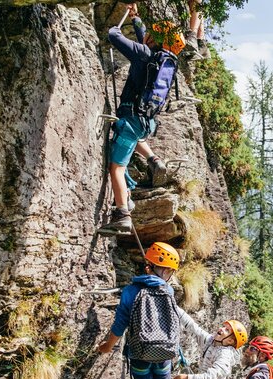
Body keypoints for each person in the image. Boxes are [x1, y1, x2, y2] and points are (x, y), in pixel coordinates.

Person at [99, 4, 185, 235]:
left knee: (116, 167)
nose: (146, 35)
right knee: (132, 139)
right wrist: (136, 19)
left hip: (130, 117)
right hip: (147, 120)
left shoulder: (144, 53)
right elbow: (144, 38)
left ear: (155, 39)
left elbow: (113, 35)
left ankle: (123, 215)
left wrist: (118, 28)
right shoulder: (163, 61)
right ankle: (154, 160)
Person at [97, 242, 182, 379]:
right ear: (165, 271)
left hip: (139, 354)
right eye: (169, 271)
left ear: (148, 266)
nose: (170, 275)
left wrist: (108, 346)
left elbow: (120, 324)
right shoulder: (168, 290)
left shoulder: (131, 291)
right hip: (164, 355)